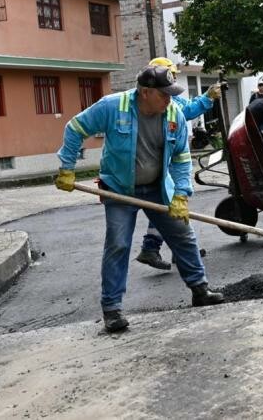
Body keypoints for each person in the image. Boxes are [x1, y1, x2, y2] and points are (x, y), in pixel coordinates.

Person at [55, 65, 224, 333]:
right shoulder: (113, 106)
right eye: (164, 94)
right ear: (145, 92)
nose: (169, 99)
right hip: (119, 189)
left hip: (158, 188)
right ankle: (112, 310)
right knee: (118, 244)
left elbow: (181, 157)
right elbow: (75, 127)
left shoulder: (173, 114)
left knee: (183, 234)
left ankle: (200, 290)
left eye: (171, 94)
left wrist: (181, 193)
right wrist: (67, 167)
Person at [136, 57, 221, 271]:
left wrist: (207, 98)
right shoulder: (153, 98)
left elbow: (187, 108)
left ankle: (174, 249)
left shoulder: (168, 97)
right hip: (162, 160)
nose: (173, 79)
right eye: (171, 74)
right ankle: (154, 248)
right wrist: (207, 98)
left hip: (171, 156)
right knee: (168, 205)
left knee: (173, 205)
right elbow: (185, 111)